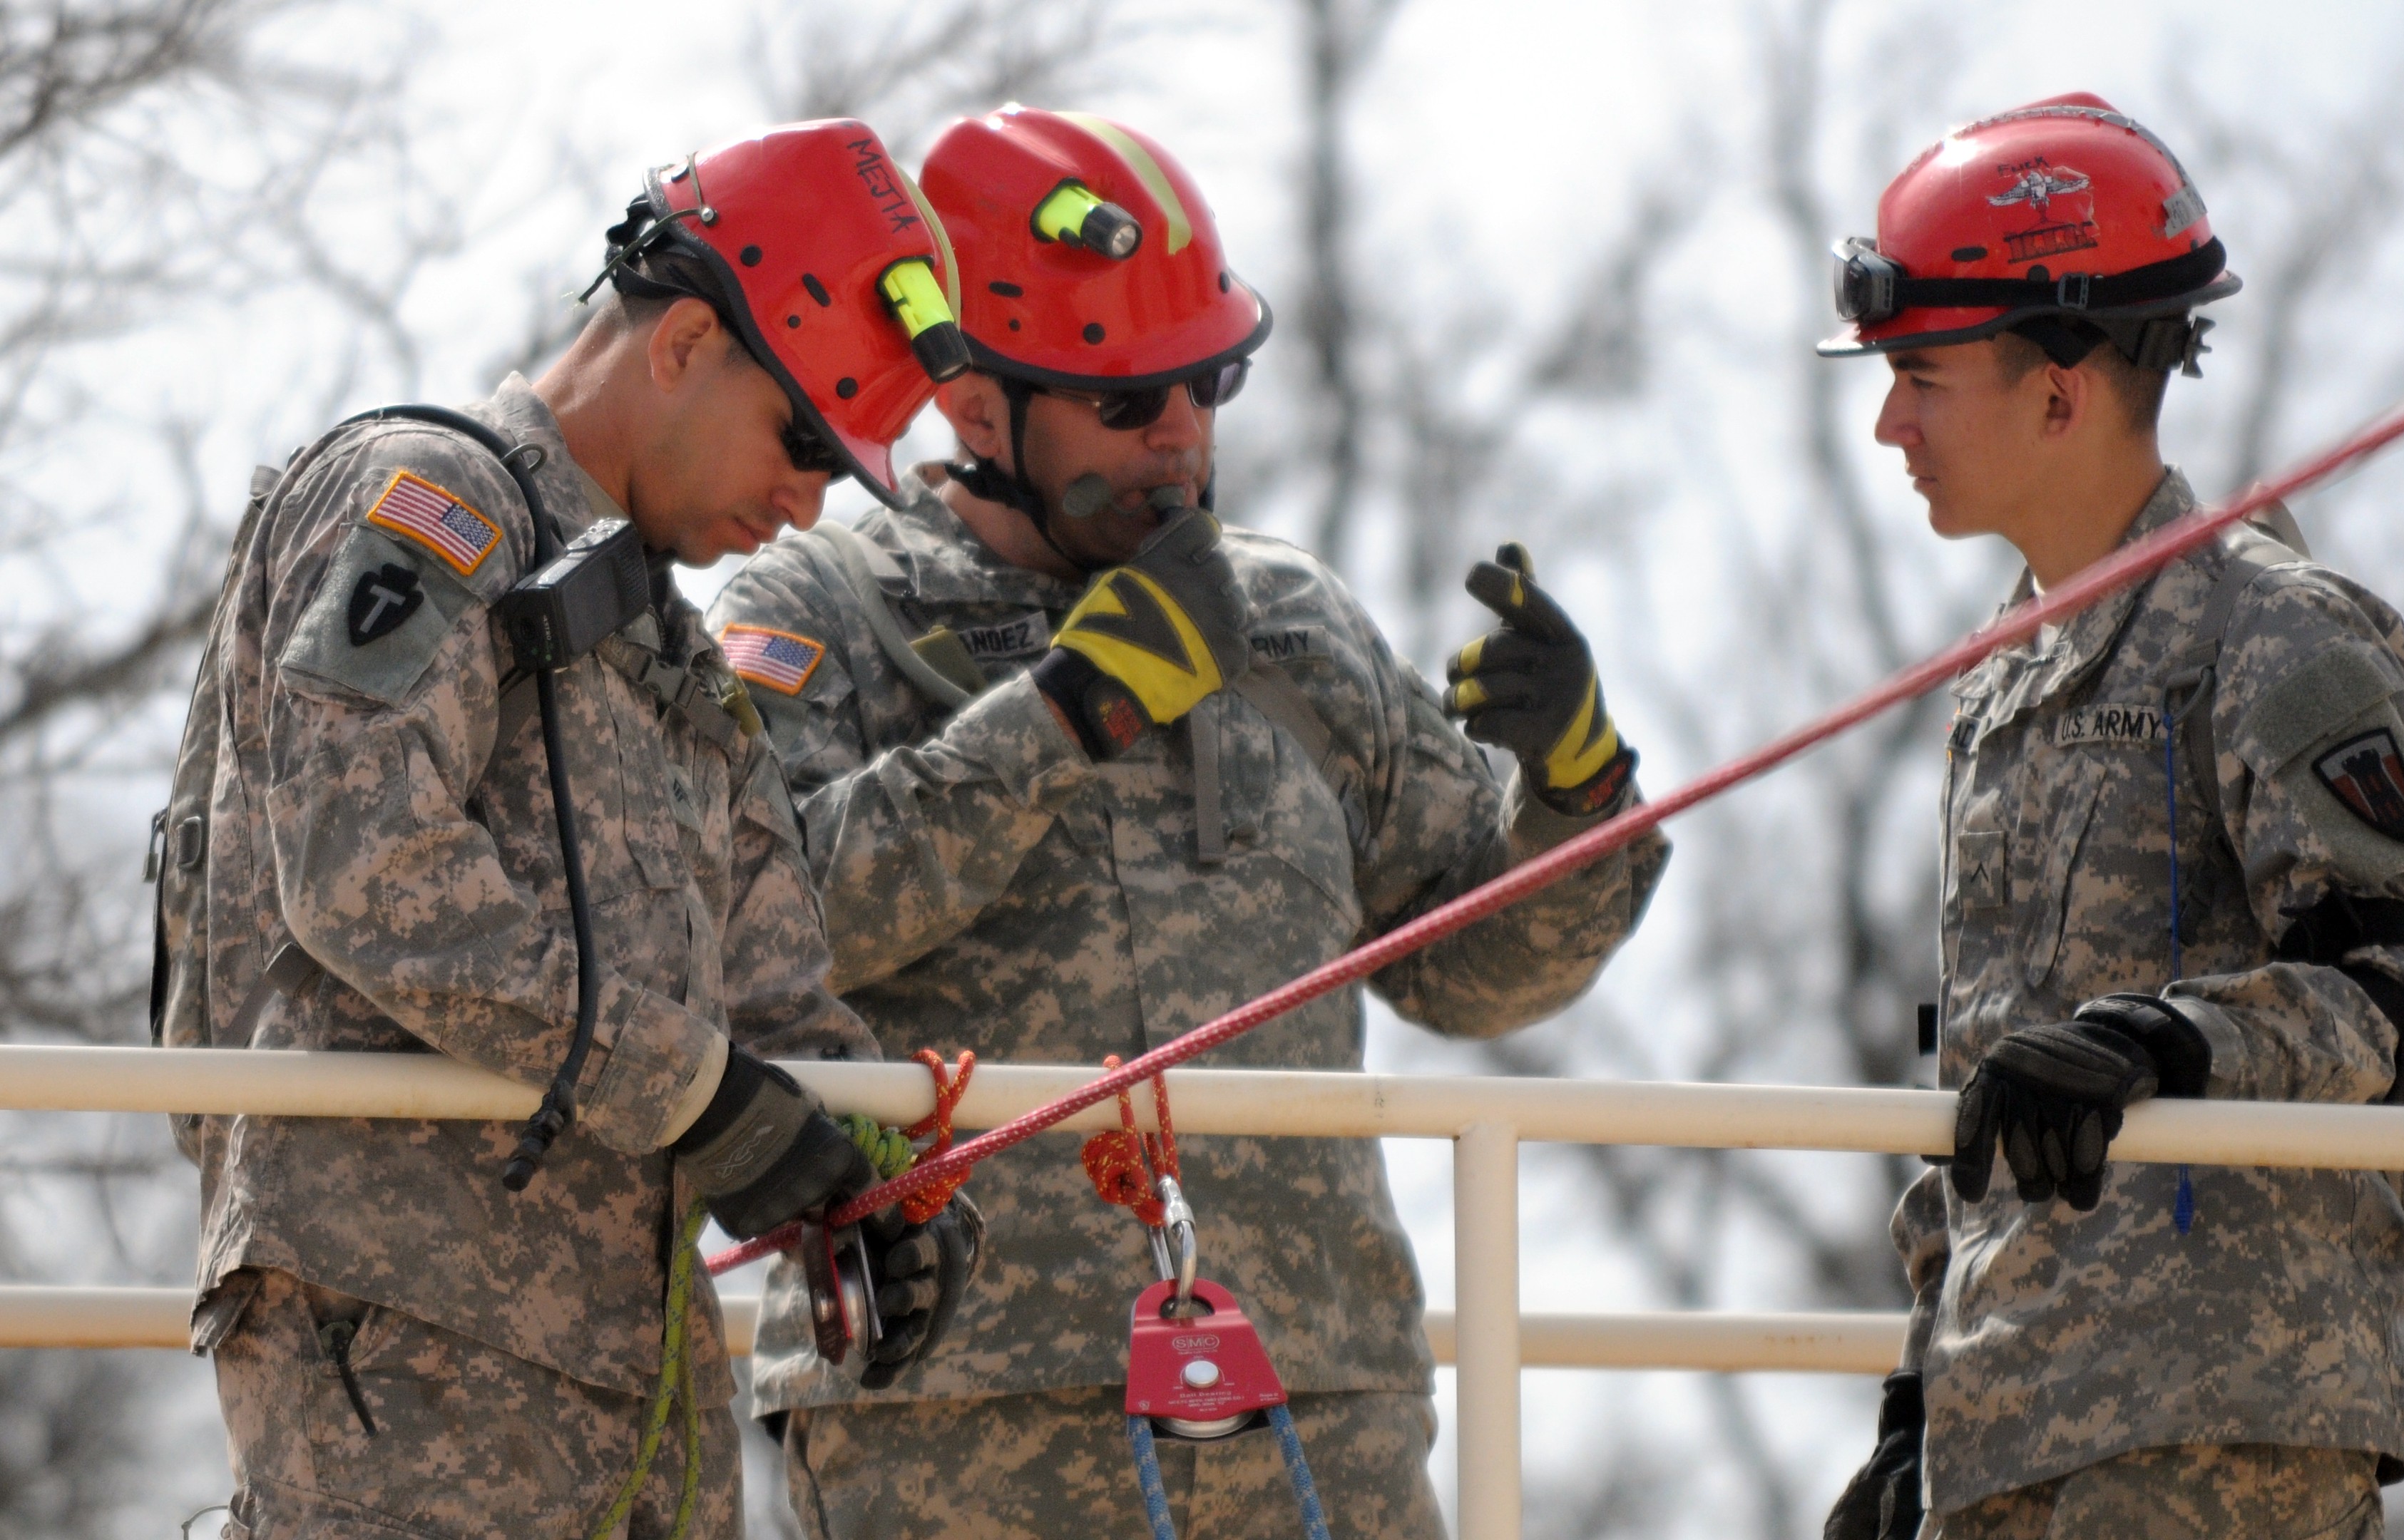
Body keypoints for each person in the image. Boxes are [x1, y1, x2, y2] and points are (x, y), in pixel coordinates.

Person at [708, 105, 1666, 1539]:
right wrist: (1063, 718)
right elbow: (761, 925)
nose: (1182, 438)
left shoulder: (1293, 623)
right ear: (972, 401)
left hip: (1307, 1404)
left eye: (1210, 383)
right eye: (1128, 402)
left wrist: (1578, 790)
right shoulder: (814, 613)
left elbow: (1473, 973)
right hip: (962, 1425)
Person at [160, 121, 983, 1539]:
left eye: (839, 476)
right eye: (802, 438)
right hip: (401, 1367)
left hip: (639, 1376)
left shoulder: (669, 646)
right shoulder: (425, 502)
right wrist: (705, 1103)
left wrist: (883, 1173)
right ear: (679, 348)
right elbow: (369, 871)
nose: (807, 501)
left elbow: (771, 985)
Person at [1817, 95, 2404, 1540]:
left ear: (2061, 391)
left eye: (1921, 375)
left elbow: (2398, 1004)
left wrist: (2155, 1042)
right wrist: (1915, 1413)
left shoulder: (2276, 632)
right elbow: (1980, 1078)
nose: (1887, 422)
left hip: (2217, 1430)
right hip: (2008, 1431)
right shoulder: (1998, 685)